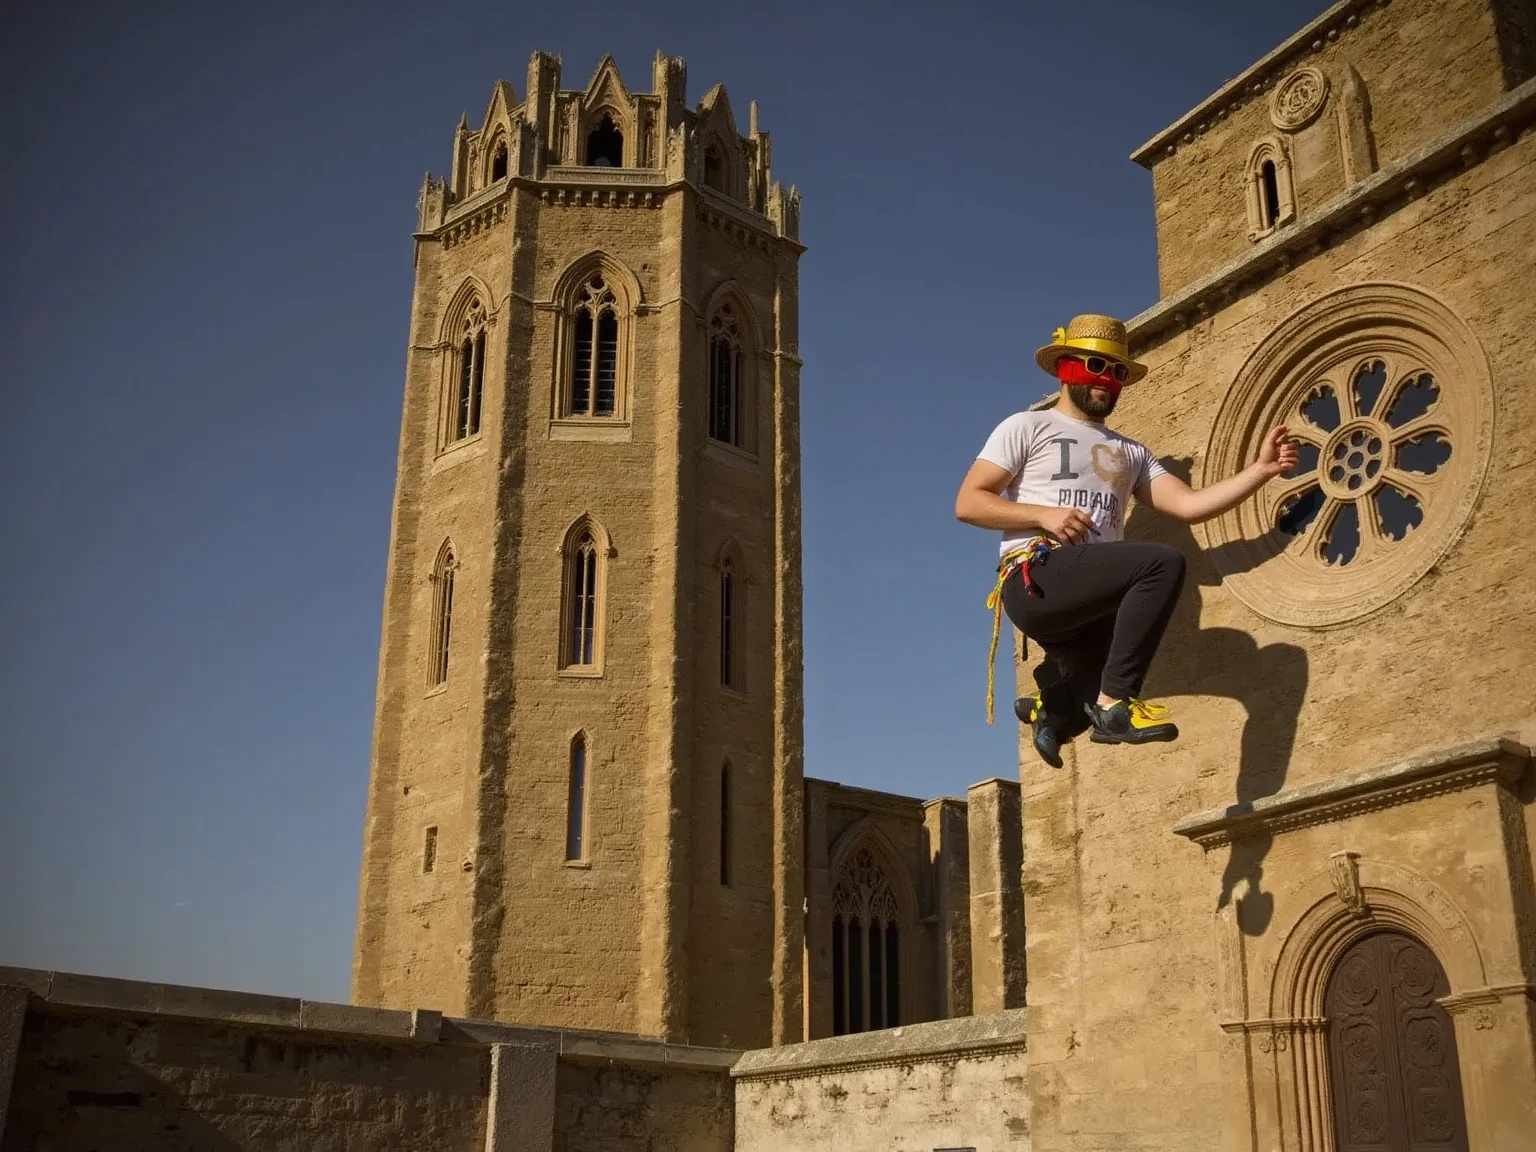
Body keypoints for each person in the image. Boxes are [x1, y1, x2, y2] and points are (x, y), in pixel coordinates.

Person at [955, 313, 1298, 768]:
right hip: (1037, 577)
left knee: (1090, 686)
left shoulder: (1132, 452)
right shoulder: (1026, 427)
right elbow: (969, 502)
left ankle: (1051, 705)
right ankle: (1115, 707)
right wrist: (1043, 514)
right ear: (1066, 368)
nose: (1108, 382)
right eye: (1097, 368)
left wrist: (1262, 470)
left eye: (1118, 373)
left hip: (1093, 603)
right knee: (1160, 563)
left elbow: (1191, 505)